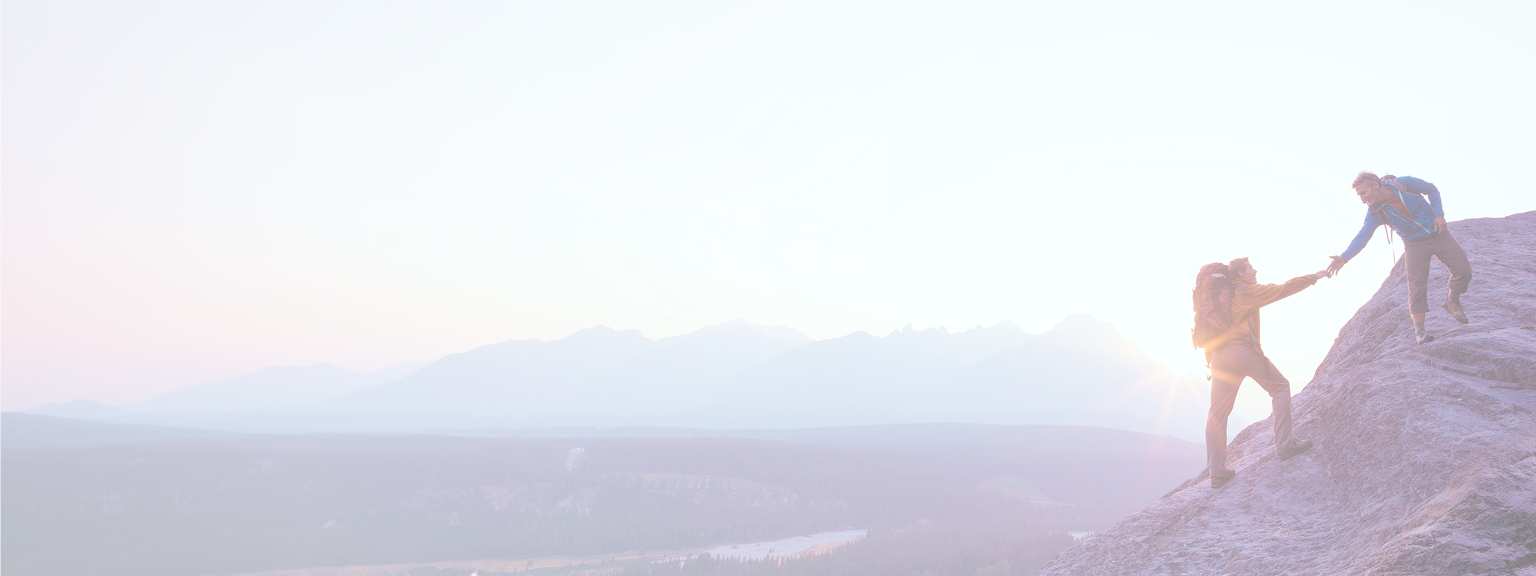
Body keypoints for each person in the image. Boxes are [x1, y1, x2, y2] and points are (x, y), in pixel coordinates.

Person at [1192, 258, 1327, 488]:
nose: (1255, 270)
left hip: (1217, 356)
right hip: (1240, 351)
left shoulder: (1223, 296)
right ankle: (1284, 445)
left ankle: (1217, 472)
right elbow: (1283, 289)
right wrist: (1314, 277)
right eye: (1250, 268)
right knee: (1280, 388)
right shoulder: (1246, 292)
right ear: (1240, 274)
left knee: (1217, 414)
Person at [1328, 172, 1472, 344]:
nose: (1362, 198)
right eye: (1360, 195)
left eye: (1363, 193)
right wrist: (1344, 258)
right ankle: (1420, 333)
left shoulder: (1403, 184)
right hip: (1414, 245)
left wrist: (1438, 214)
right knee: (1416, 286)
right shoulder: (1375, 213)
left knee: (1463, 271)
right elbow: (1362, 236)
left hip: (1439, 234)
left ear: (1375, 185)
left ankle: (1452, 301)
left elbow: (1431, 189)